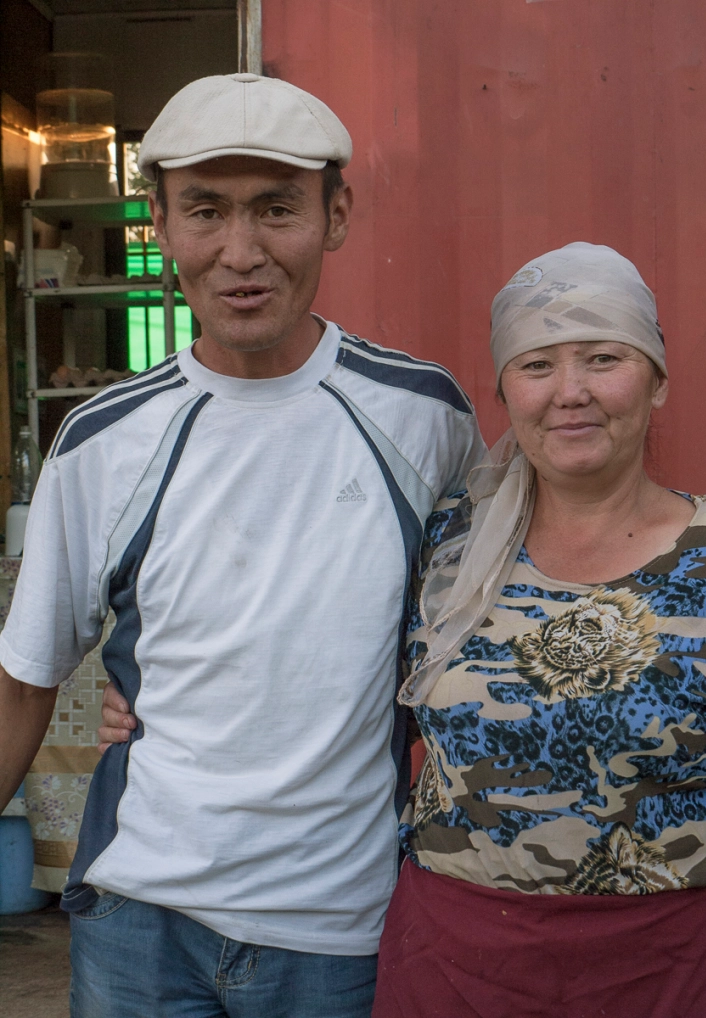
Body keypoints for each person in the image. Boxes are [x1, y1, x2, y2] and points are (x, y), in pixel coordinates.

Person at [0, 73, 484, 1018]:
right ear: (159, 223)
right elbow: (26, 681)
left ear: (335, 215)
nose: (240, 252)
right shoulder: (102, 443)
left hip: (339, 930)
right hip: (139, 920)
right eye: (205, 211)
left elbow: (479, 640)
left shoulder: (424, 419)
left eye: (276, 208)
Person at [367, 242, 706, 1017]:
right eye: (537, 365)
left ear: (657, 379)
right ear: (505, 391)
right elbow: (335, 684)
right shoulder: (448, 550)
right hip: (456, 961)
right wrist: (139, 690)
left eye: (603, 359)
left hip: (672, 965)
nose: (570, 392)